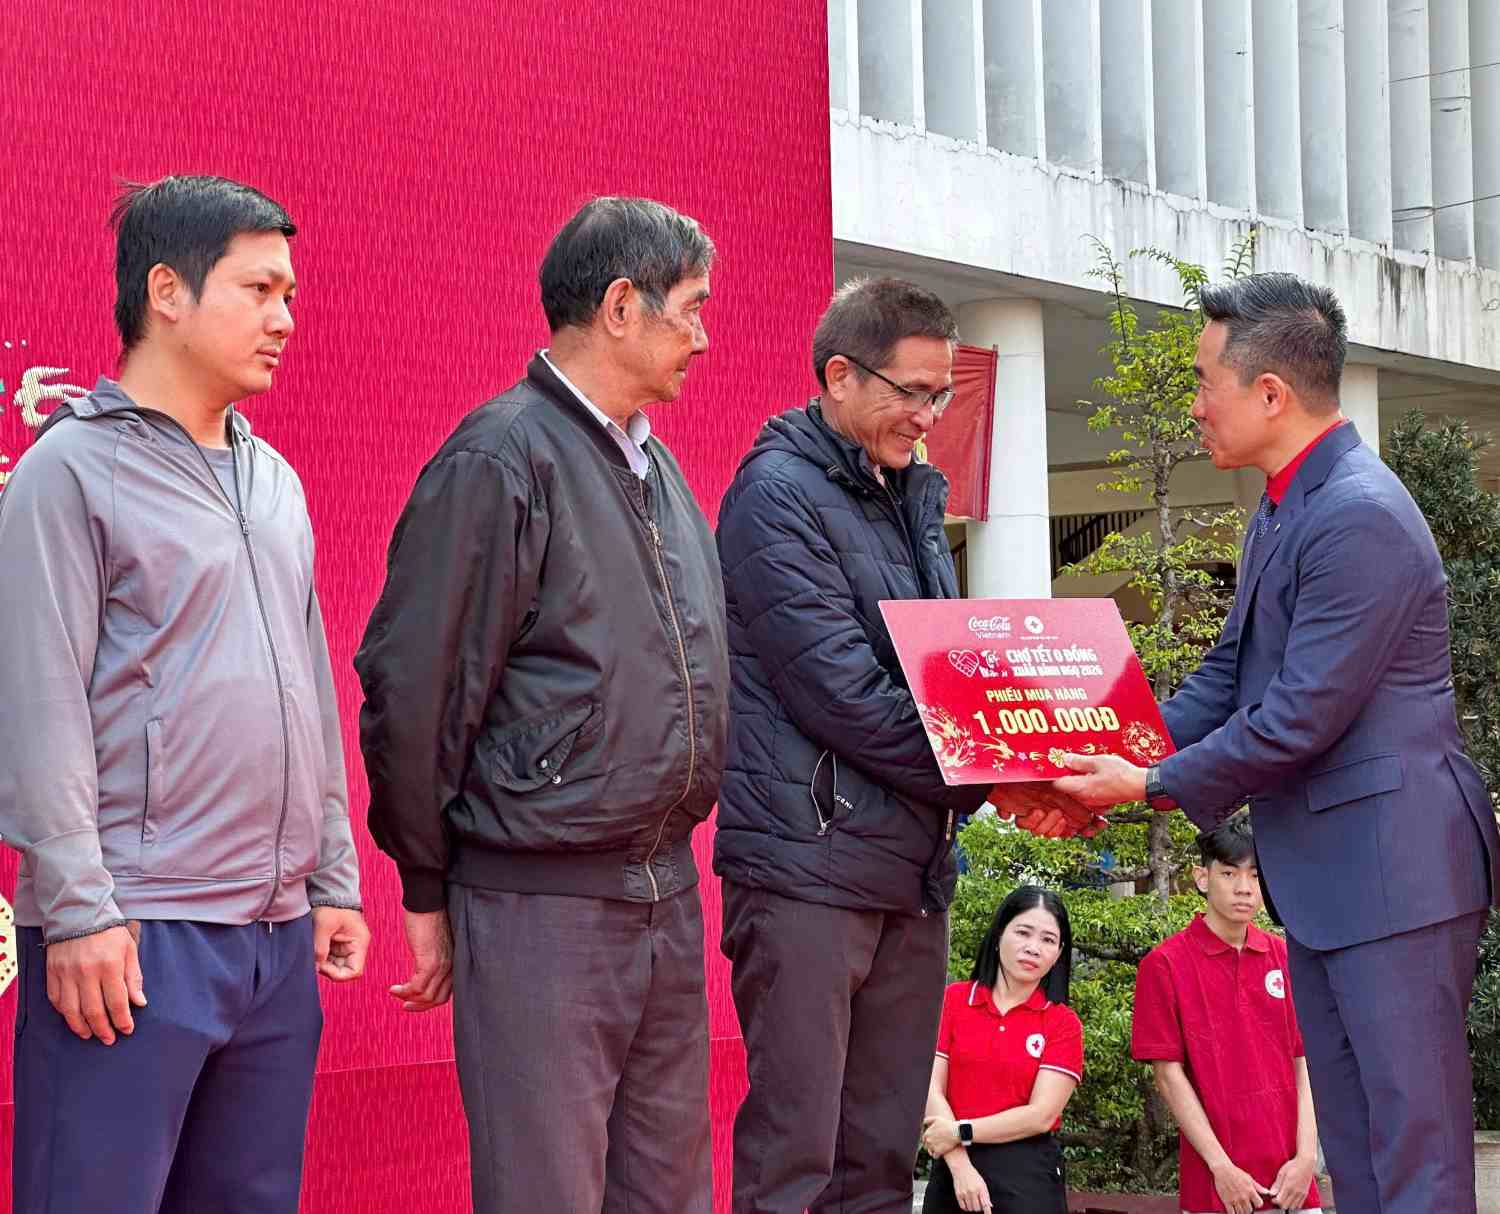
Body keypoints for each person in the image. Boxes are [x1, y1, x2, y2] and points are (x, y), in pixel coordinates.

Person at [1054, 272, 1500, 1214]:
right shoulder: (1286, 502)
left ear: (1270, 394)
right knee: (1359, 1150)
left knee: (1412, 1154)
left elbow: (1297, 717)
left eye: (1205, 379)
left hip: (1397, 874)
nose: (1194, 403)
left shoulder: (1358, 516)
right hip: (1337, 879)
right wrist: (1105, 748)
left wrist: (1144, 784)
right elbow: (1227, 677)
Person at [0, 175, 369, 1214]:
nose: (285, 316)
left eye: (288, 291)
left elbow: (305, 680)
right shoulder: (68, 472)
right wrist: (76, 911)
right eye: (259, 288)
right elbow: (39, 703)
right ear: (168, 289)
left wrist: (330, 876)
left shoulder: (278, 482)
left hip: (273, 935)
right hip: (131, 931)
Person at [354, 196, 728, 1214]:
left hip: (663, 894)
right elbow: (415, 687)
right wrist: (427, 885)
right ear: (620, 305)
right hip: (541, 903)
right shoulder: (500, 457)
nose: (704, 334)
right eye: (690, 307)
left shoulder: (657, 467)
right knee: (546, 1190)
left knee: (671, 1192)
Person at [714, 276, 992, 1214]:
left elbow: (949, 679)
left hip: (909, 876)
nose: (926, 415)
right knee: (796, 1161)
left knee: (879, 1160)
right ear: (838, 375)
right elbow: (845, 694)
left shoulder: (910, 492)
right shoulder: (776, 494)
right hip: (808, 870)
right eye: (910, 392)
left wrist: (1013, 753)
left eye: (939, 394)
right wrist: (992, 772)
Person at [1133, 818, 1320, 1214]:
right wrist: (1221, 1167)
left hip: (1293, 1184)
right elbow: (1168, 1076)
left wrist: (1306, 1161)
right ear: (1202, 878)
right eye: (1230, 873)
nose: (1244, 888)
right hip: (1217, 1187)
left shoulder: (1284, 957)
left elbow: (1305, 1063)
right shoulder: (1163, 965)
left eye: (1255, 875)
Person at [919, 886, 1083, 1214]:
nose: (1033, 948)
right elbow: (928, 1086)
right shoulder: (952, 1001)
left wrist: (960, 1131)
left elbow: (1042, 1115)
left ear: (1059, 952)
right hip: (953, 1169)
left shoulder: (1062, 1023)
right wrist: (960, 1165)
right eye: (1023, 932)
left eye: (1048, 940)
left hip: (1027, 1174)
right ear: (998, 935)